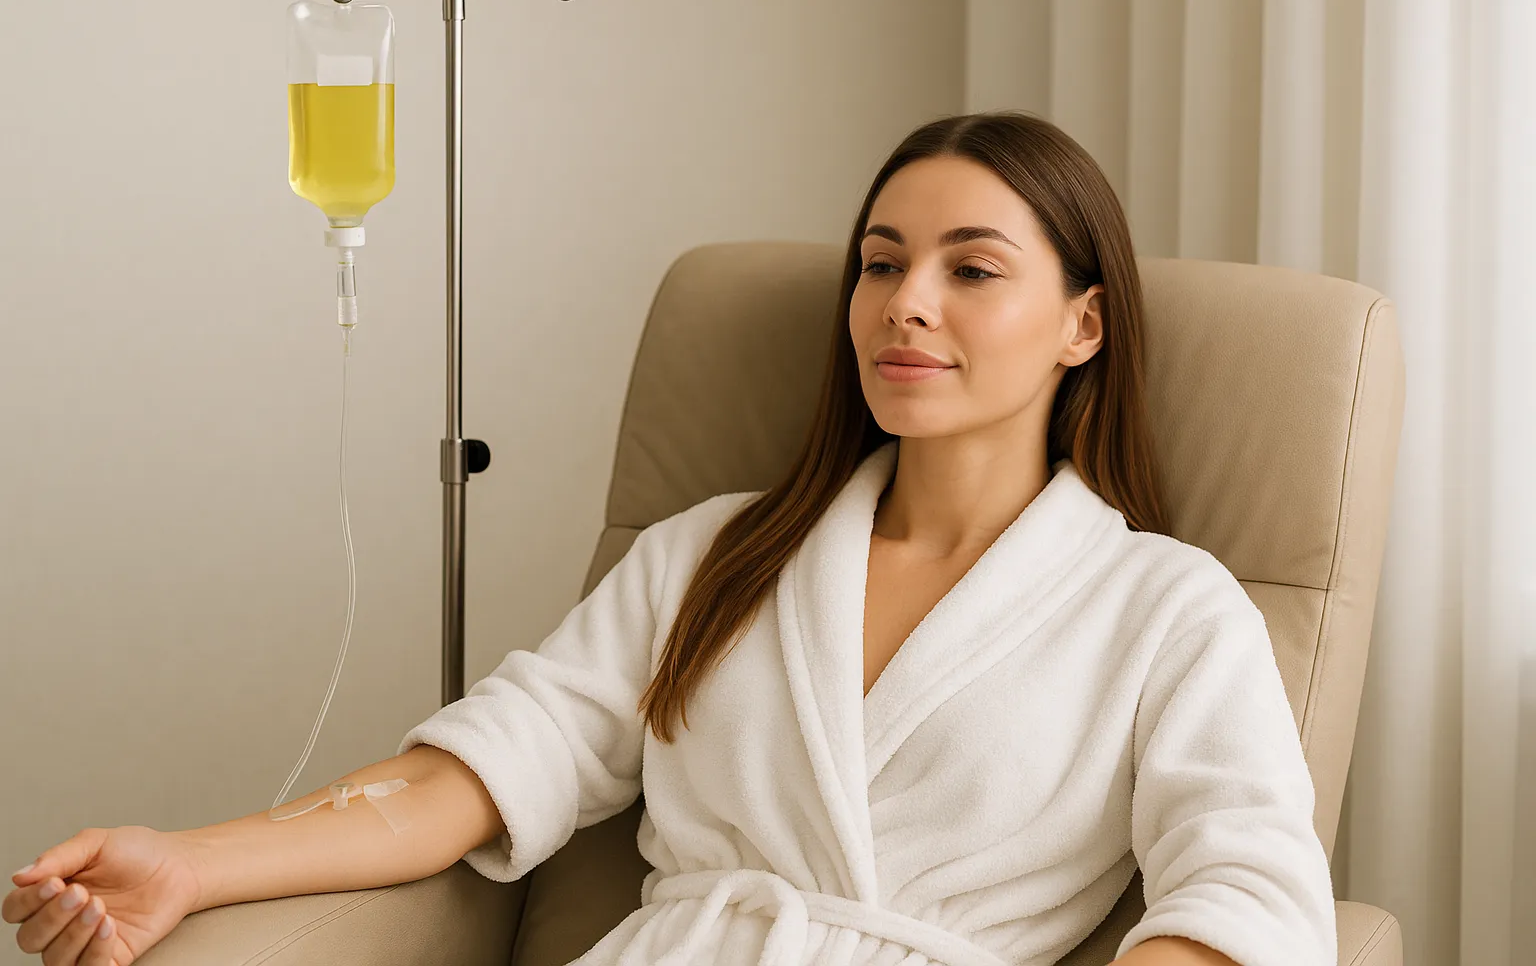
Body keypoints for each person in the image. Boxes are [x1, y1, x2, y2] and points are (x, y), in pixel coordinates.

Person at [3, 113, 1336, 966]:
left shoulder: (1166, 609)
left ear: (1083, 324)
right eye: (880, 263)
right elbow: (479, 768)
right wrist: (191, 860)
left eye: (971, 269)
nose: (904, 304)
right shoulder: (716, 555)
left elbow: (1248, 898)